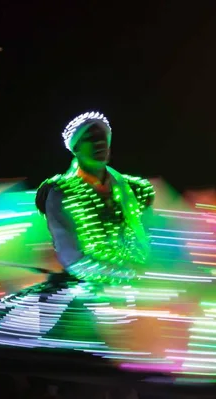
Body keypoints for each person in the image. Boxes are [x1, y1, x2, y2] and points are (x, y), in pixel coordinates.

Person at [35, 111, 154, 289]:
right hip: (86, 289)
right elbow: (72, 257)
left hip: (140, 285)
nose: (99, 142)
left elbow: (151, 238)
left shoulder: (135, 189)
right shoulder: (61, 193)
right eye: (90, 138)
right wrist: (128, 274)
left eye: (102, 137)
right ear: (75, 148)